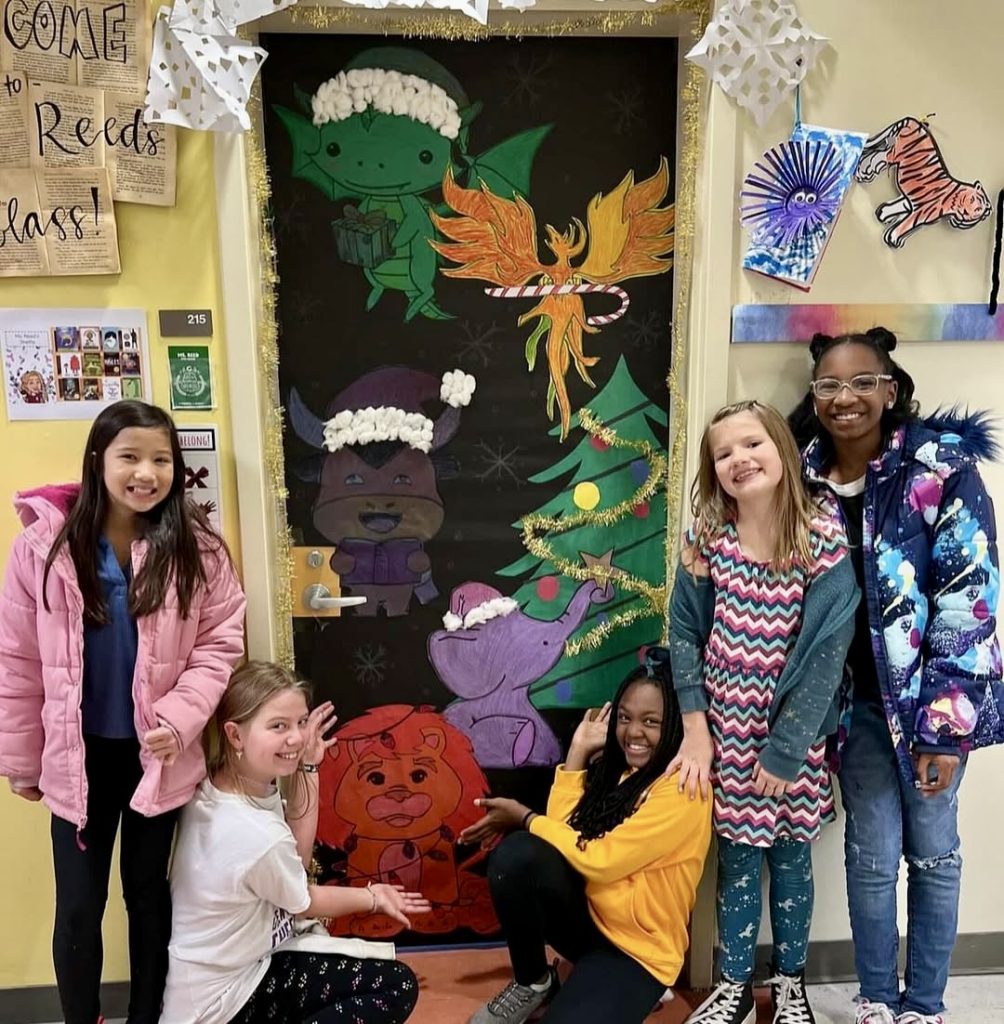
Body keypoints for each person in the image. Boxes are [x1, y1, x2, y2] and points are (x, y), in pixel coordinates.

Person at [0, 400, 247, 1024]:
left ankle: (146, 1018)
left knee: (148, 897)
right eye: (130, 457)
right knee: (78, 908)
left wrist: (179, 719)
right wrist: (22, 761)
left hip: (158, 759)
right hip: (76, 760)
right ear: (97, 460)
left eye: (161, 459)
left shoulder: (199, 549)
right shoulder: (42, 547)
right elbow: (18, 659)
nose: (146, 473)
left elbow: (220, 644)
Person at [789, 328, 1004, 1024]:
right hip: (853, 706)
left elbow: (969, 598)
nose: (844, 397)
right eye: (829, 384)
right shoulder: (800, 478)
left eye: (861, 382)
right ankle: (877, 999)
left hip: (929, 703)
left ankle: (925, 1005)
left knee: (934, 852)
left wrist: (943, 726)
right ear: (814, 395)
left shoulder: (941, 469)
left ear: (889, 389)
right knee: (871, 857)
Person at [669, 400, 858, 1024]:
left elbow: (828, 651)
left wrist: (785, 749)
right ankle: (733, 987)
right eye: (723, 453)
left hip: (793, 741)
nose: (739, 459)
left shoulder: (821, 536)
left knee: (792, 860)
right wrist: (695, 730)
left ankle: (790, 984)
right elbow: (685, 632)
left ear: (782, 448)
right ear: (712, 469)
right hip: (726, 734)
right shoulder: (708, 538)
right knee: (738, 862)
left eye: (752, 444)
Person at [161, 661, 426, 1024]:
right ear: (235, 736)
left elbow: (294, 860)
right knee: (396, 985)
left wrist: (308, 766)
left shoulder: (226, 787)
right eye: (279, 726)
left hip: (227, 979)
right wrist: (374, 897)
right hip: (225, 1003)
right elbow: (302, 902)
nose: (297, 738)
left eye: (301, 722)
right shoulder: (251, 832)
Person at [458, 655, 712, 1024]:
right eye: (624, 717)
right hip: (592, 922)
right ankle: (534, 982)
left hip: (637, 954)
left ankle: (630, 990)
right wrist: (577, 753)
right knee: (518, 855)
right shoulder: (619, 771)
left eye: (650, 722)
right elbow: (564, 838)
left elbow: (601, 861)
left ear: (675, 724)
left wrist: (525, 817)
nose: (633, 732)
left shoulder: (684, 789)